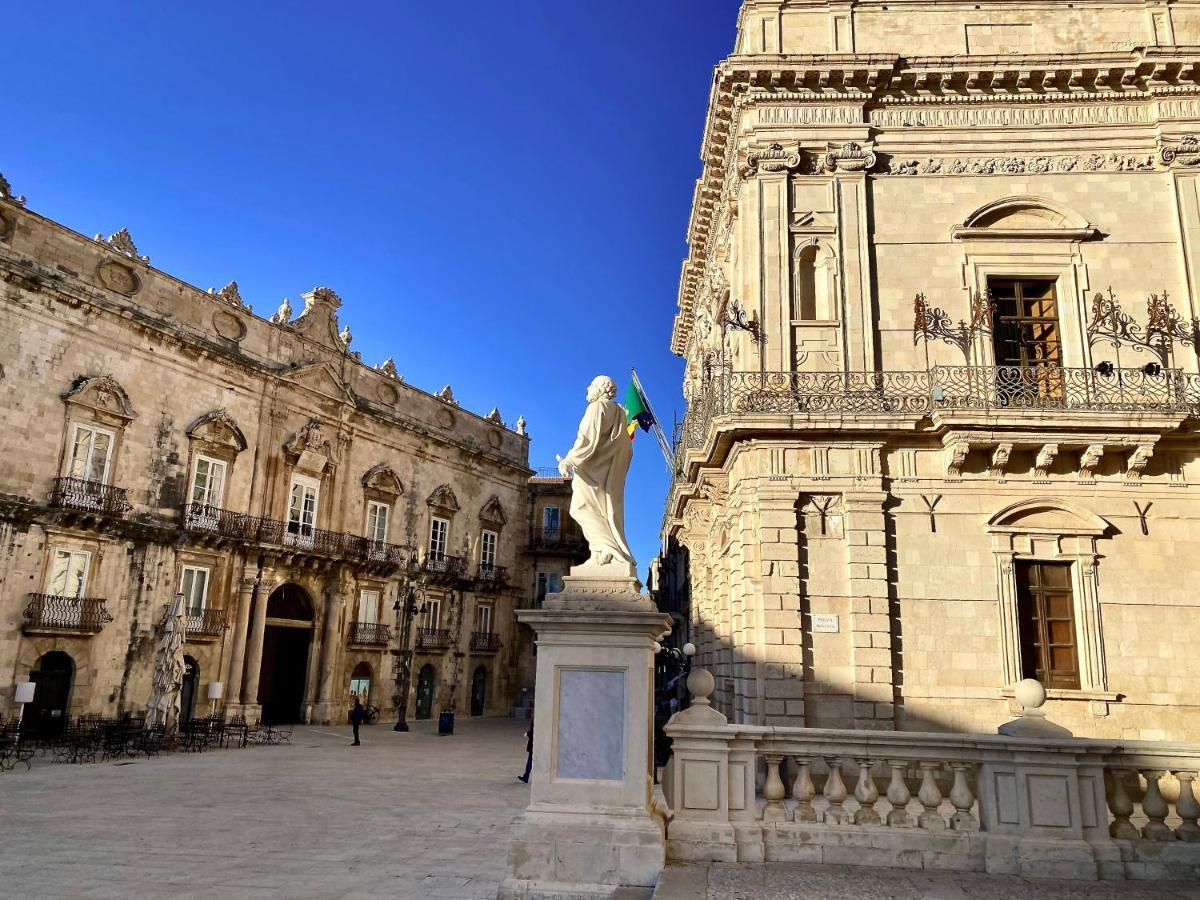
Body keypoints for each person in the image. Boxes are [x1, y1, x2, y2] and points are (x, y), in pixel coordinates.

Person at [517, 718, 533, 783]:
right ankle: (526, 776)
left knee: (530, 760)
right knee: (530, 760)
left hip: (534, 742)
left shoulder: (537, 718)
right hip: (535, 742)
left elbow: (534, 731)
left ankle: (526, 776)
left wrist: (528, 733)